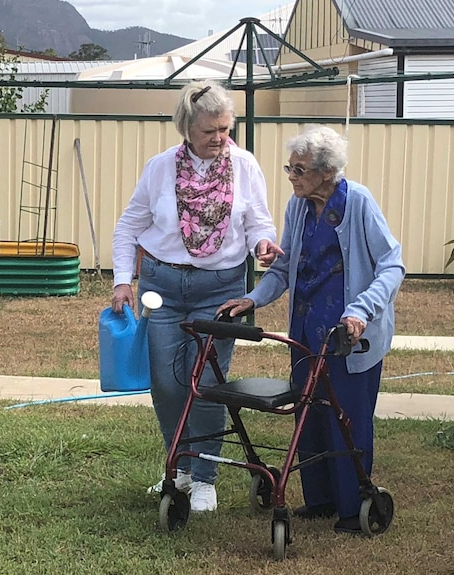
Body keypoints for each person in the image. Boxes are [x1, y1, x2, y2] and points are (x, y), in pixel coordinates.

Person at [217, 125, 405, 533]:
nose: (291, 176)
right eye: (290, 168)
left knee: (346, 418)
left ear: (326, 171)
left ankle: (352, 507)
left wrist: (361, 312)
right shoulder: (298, 205)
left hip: (349, 332)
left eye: (299, 169)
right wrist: (253, 299)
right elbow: (285, 267)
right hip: (306, 328)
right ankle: (319, 500)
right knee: (310, 415)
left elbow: (392, 265)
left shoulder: (357, 202)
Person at [111, 81, 283, 513]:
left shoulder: (244, 164)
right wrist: (121, 281)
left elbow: (260, 220)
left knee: (205, 384)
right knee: (168, 386)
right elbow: (128, 227)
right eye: (210, 130)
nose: (219, 138)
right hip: (161, 289)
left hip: (220, 290)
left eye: (225, 128)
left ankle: (205, 477)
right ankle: (180, 469)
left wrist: (263, 243)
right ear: (186, 127)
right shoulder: (159, 168)